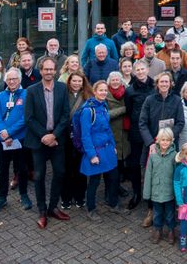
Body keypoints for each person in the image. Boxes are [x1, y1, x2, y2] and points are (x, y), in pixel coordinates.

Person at [22, 57, 72, 228]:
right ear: (41, 71)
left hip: (57, 140)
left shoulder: (61, 88)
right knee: (39, 176)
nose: (49, 72)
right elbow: (28, 118)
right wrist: (44, 135)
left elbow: (66, 115)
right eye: (46, 69)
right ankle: (42, 210)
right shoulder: (31, 90)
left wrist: (54, 135)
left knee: (60, 173)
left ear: (56, 70)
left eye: (52, 69)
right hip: (39, 140)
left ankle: (53, 207)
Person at [81, 80, 128, 219]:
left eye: (105, 91)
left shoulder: (104, 106)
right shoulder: (88, 111)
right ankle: (91, 209)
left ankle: (113, 204)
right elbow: (85, 135)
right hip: (95, 151)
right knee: (94, 182)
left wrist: (113, 146)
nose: (103, 93)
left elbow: (108, 129)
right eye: (100, 90)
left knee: (113, 178)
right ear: (94, 92)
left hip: (107, 149)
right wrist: (91, 155)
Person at [0, 68, 30, 215]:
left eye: (14, 79)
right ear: (6, 81)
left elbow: (25, 118)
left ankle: (24, 195)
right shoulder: (1, 96)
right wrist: (3, 134)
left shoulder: (26, 95)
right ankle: (2, 197)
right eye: (9, 79)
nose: (12, 82)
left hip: (19, 139)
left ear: (19, 80)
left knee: (22, 168)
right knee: (3, 170)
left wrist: (10, 133)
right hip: (2, 140)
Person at [125, 60, 155, 211]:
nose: (141, 72)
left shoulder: (155, 86)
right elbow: (129, 111)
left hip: (153, 131)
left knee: (153, 163)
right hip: (137, 131)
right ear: (134, 72)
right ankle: (136, 193)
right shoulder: (130, 91)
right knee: (135, 164)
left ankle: (152, 195)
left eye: (143, 69)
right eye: (138, 70)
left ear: (148, 69)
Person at [143, 127, 178, 244]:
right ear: (157, 140)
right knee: (157, 213)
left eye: (167, 140)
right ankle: (157, 230)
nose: (165, 142)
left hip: (169, 192)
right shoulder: (153, 155)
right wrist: (147, 193)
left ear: (171, 141)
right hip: (156, 192)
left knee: (170, 213)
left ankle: (171, 230)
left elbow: (177, 176)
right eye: (162, 140)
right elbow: (148, 175)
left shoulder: (175, 156)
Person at [61, 72, 90, 211]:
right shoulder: (63, 94)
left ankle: (79, 196)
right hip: (66, 136)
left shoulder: (87, 96)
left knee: (80, 169)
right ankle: (66, 197)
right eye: (74, 81)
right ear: (69, 81)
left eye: (79, 81)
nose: (77, 83)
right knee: (66, 168)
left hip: (81, 138)